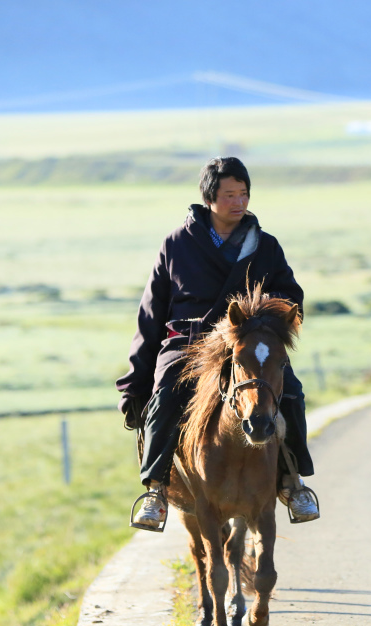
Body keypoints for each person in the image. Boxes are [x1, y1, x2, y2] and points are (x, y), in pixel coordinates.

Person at [116, 157, 319, 531]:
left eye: (244, 194)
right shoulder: (176, 244)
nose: (239, 203)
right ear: (209, 198)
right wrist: (135, 380)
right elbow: (150, 315)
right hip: (189, 345)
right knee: (165, 396)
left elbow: (291, 296)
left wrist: (264, 317)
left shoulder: (266, 246)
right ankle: (157, 489)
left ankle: (293, 481)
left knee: (290, 392)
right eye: (229, 195)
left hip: (246, 341)